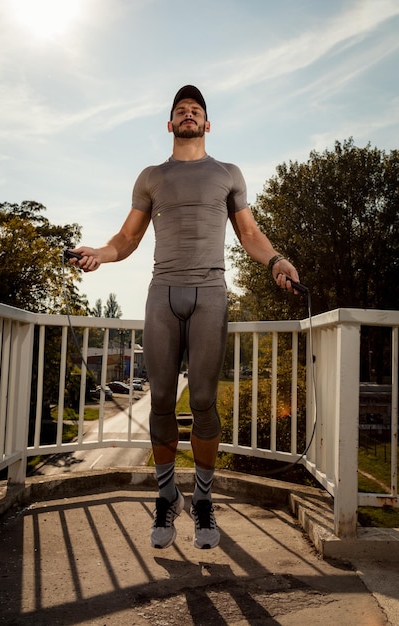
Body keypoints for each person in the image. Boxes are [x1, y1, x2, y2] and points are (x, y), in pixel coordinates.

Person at [71, 85, 300, 550]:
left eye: (196, 110)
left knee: (200, 402)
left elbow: (249, 233)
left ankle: (202, 500)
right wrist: (99, 252)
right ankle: (165, 496)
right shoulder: (152, 176)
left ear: (207, 124)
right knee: (158, 400)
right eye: (181, 110)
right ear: (170, 123)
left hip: (210, 293)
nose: (188, 114)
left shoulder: (228, 173)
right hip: (162, 293)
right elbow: (128, 238)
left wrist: (277, 261)